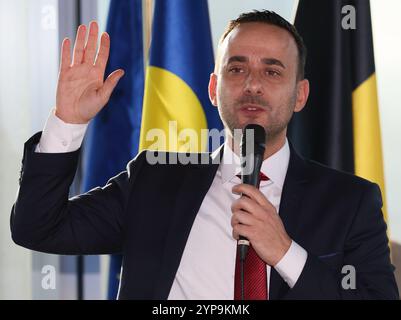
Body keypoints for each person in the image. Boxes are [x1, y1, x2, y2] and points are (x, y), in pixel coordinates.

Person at [11, 10, 398, 300]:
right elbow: (38, 227)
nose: (252, 85)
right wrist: (68, 121)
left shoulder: (351, 202)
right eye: (236, 68)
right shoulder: (154, 180)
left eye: (273, 72)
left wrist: (286, 254)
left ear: (300, 95)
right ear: (213, 88)